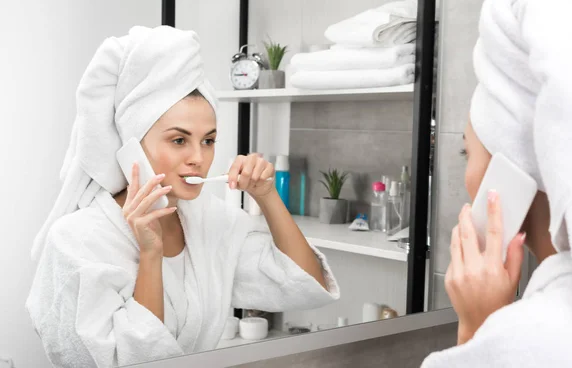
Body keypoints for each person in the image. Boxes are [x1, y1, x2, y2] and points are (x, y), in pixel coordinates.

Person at [26, 26, 340, 368]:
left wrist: (267, 196)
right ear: (133, 145)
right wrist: (150, 253)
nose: (198, 157)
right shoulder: (78, 240)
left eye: (208, 140)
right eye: (179, 140)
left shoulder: (210, 221)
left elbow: (306, 283)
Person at [422, 0, 572, 367]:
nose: (466, 175)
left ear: (514, 163)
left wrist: (479, 330)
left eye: (467, 152)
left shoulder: (531, 336)